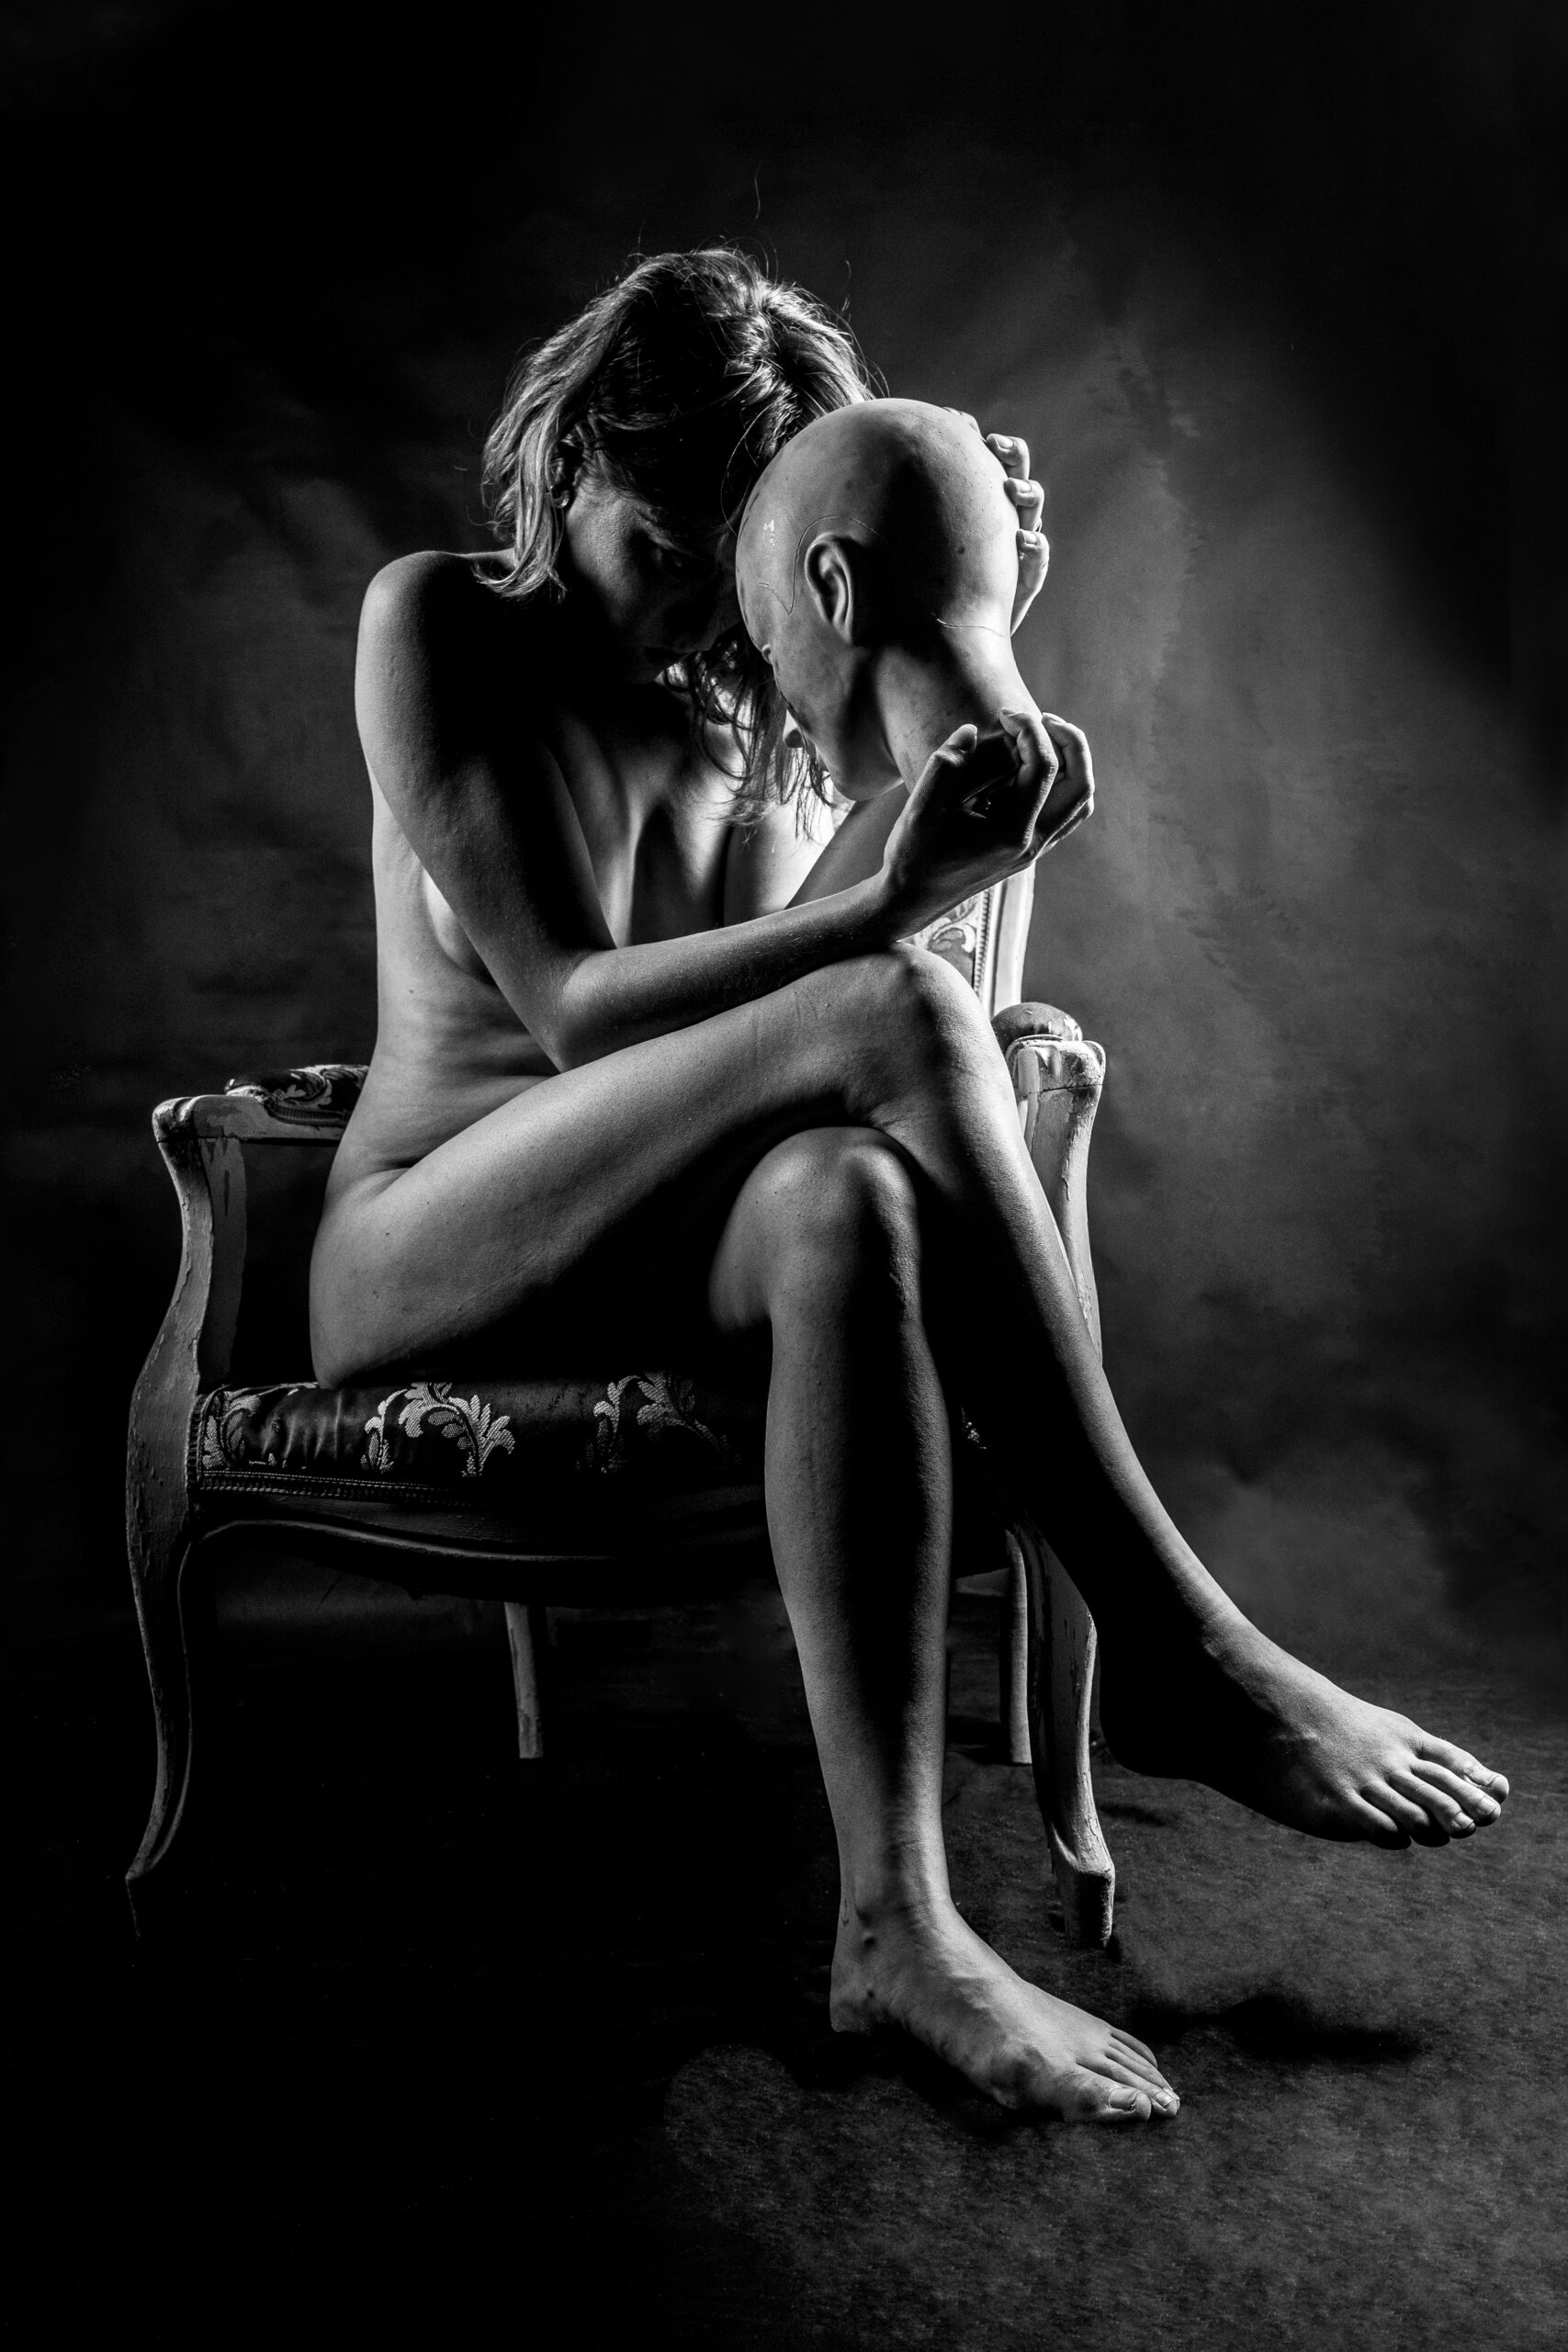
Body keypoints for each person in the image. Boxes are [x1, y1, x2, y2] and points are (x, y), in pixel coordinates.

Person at [310, 248, 1507, 2124]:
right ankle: (1182, 1645)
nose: (673, 609)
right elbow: (573, 1010)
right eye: (649, 545)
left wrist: (967, 630)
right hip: (436, 1234)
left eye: (723, 571)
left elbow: (880, 1021)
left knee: (844, 1201)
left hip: (675, 1238)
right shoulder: (443, 624)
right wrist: (878, 902)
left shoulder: (757, 702)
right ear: (566, 461)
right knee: (880, 1006)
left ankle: (897, 1927)